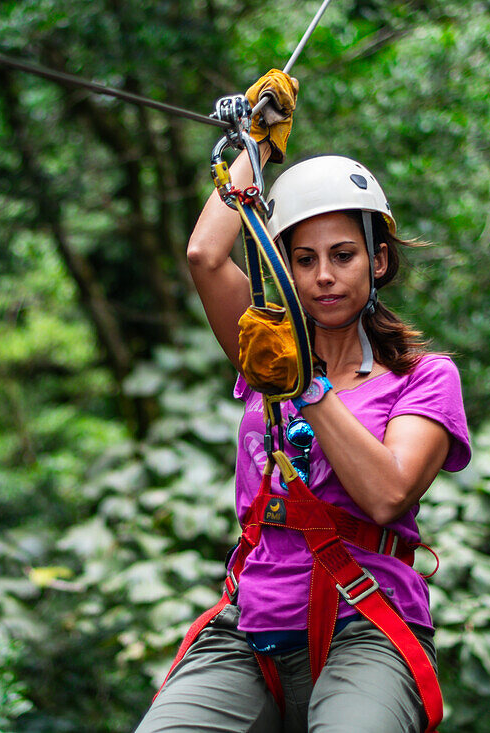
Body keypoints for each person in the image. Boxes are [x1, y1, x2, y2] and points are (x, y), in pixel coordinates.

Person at [134, 71, 471, 732]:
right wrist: (257, 145)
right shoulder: (267, 350)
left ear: (377, 262)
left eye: (343, 255)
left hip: (367, 626)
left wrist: (306, 389)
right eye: (305, 258)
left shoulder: (422, 377)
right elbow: (205, 254)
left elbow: (386, 494)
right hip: (250, 630)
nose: (323, 276)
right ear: (284, 266)